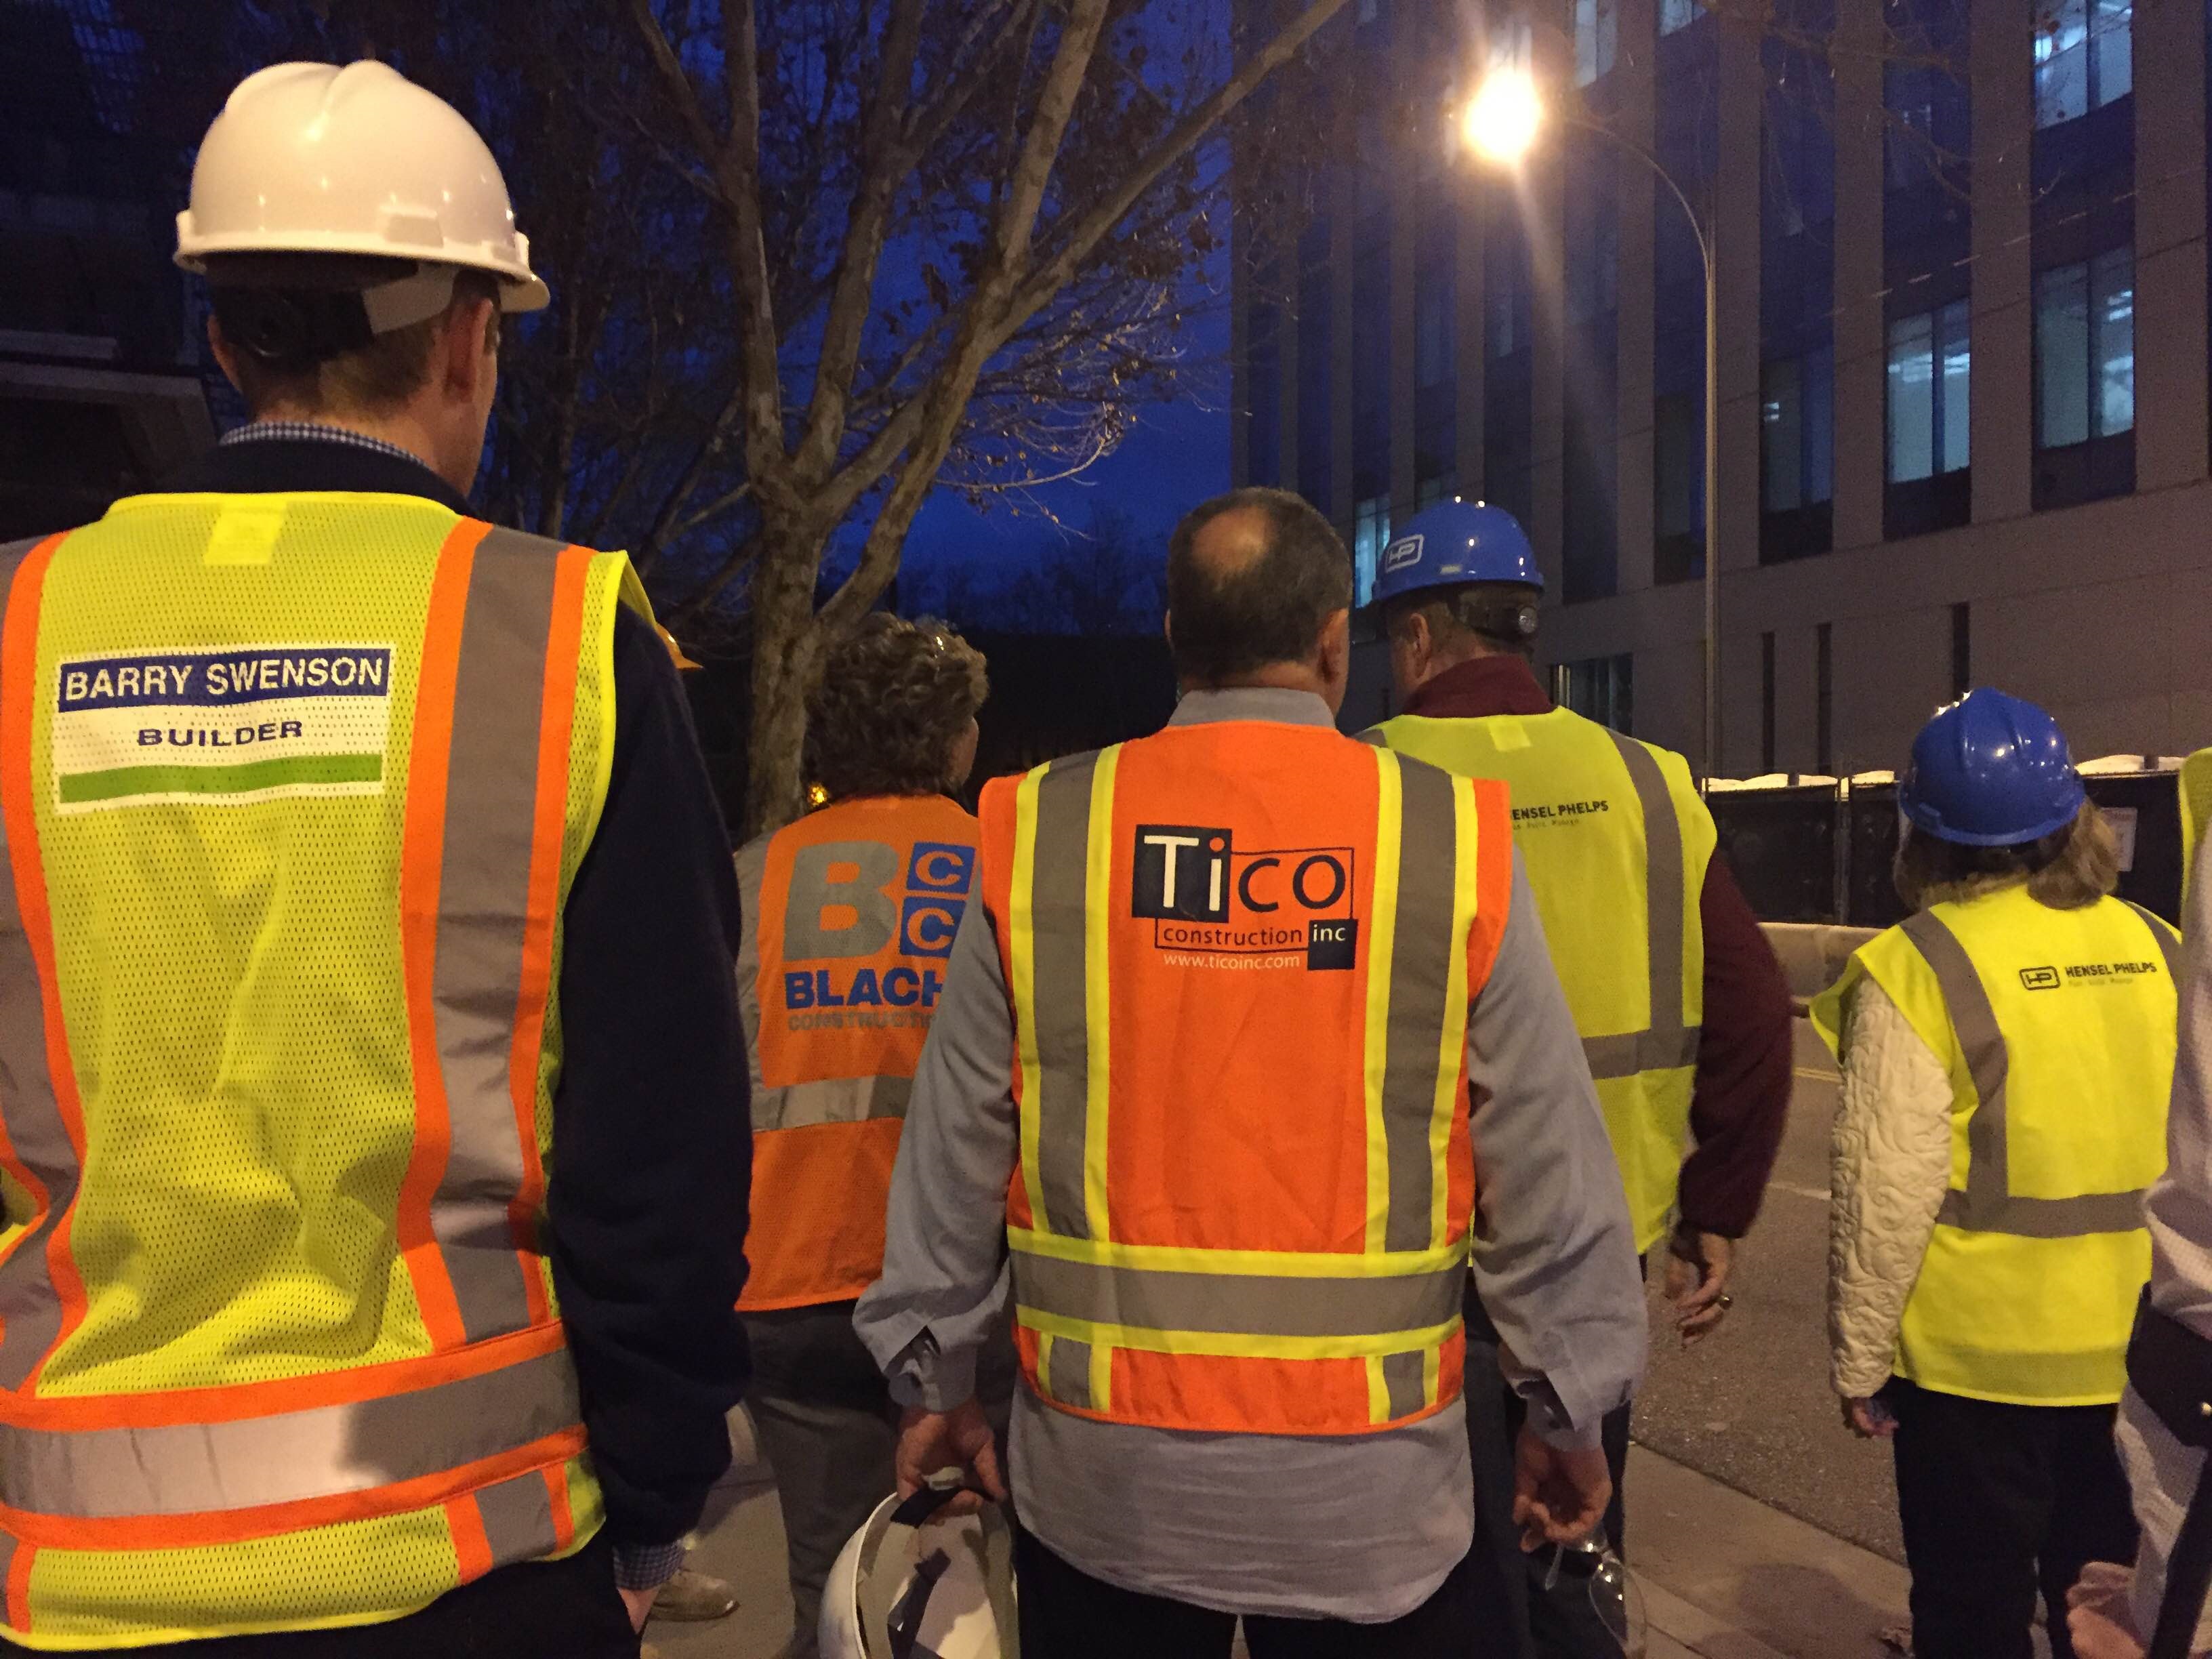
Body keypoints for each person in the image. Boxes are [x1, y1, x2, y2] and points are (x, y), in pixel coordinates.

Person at [0, 63, 751, 1653]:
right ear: (471, 338)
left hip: (68, 1566)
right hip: (471, 1561)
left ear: (224, 338)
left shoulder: (16, 630)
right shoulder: (558, 638)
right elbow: (659, 1151)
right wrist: (656, 1494)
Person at [853, 486, 1648, 1658]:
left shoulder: (1046, 832)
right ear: (1333, 642)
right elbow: (1544, 1154)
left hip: (1103, 1486)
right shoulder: (1440, 836)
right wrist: (1567, 1407)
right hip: (1372, 1497)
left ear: (1175, 636)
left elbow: (955, 1140)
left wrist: (933, 1379)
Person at [1361, 497, 1793, 1648]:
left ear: (1418, 638)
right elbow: (1756, 1012)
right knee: (1574, 1533)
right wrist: (1714, 1205)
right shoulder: (1650, 782)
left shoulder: (1371, 781)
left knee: (1429, 1575)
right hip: (1602, 1243)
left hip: (1419, 1257)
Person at [1810, 689, 2177, 1659]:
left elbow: (1883, 1192)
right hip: (2145, 1362)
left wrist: (1860, 1360)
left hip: (1975, 1375)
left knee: (1971, 1614)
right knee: (2114, 1618)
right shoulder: (2161, 946)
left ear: (1921, 834)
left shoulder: (1919, 965)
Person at [733, 613, 992, 1658]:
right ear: (956, 741)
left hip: (789, 1278)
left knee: (837, 1598)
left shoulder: (748, 879)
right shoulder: (1009, 870)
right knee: (971, 1598)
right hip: (971, 1293)